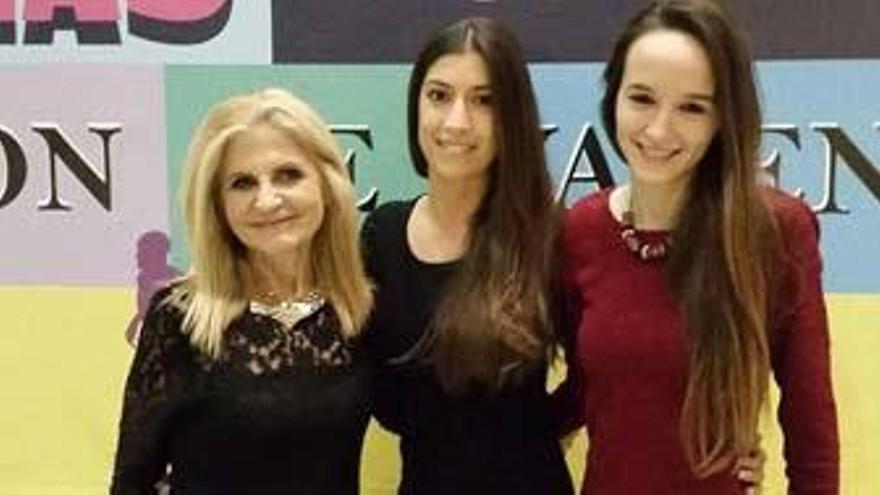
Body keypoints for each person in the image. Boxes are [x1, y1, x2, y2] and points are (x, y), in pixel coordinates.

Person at [555, 0, 839, 492]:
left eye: (691, 107)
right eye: (641, 98)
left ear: (722, 119)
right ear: (613, 98)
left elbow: (812, 432)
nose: (659, 129)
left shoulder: (774, 231)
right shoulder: (582, 228)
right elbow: (586, 395)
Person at [110, 88, 373, 494]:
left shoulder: (358, 309)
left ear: (328, 183)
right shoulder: (180, 316)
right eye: (242, 183)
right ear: (217, 205)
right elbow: (133, 481)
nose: (266, 200)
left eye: (288, 174)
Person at [361, 17, 575, 494]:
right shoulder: (381, 235)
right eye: (439, 95)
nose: (457, 121)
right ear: (416, 103)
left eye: (484, 101)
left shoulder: (548, 236)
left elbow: (610, 368)